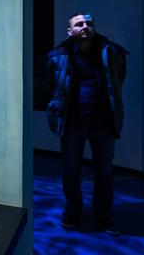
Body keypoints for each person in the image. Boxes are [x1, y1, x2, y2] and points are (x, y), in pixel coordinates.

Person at [44, 12, 128, 236]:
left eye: (89, 23)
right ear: (70, 31)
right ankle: (73, 211)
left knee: (105, 172)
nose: (85, 27)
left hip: (103, 122)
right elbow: (52, 86)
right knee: (71, 170)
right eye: (79, 24)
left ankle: (103, 216)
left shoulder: (112, 53)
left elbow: (117, 81)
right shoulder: (57, 56)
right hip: (73, 123)